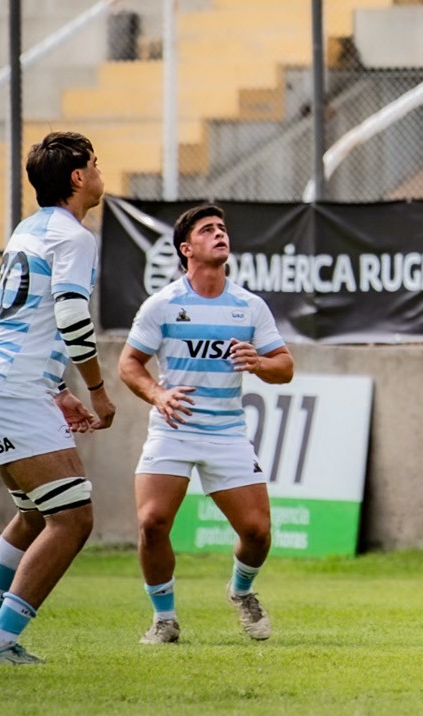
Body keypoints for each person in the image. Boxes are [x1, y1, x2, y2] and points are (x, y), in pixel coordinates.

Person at [0, 132, 117, 665]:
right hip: (10, 389)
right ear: (77, 177)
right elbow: (70, 319)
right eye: (94, 164)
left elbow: (31, 322)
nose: (99, 172)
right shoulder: (74, 237)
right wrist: (96, 390)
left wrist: (58, 390)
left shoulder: (31, 228)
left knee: (31, 516)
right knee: (72, 518)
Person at [119, 204, 294, 646]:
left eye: (222, 228)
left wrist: (258, 363)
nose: (220, 234)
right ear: (186, 248)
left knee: (257, 532)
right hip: (173, 430)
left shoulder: (249, 306)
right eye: (208, 230)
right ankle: (164, 619)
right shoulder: (162, 305)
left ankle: (241, 590)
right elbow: (129, 364)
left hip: (226, 433)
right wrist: (158, 395)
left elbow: (285, 366)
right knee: (152, 523)